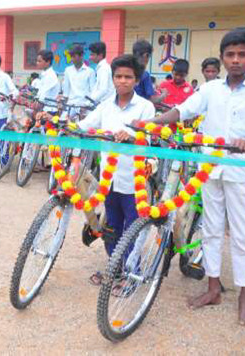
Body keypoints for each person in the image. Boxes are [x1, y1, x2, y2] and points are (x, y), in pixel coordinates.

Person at [145, 29, 245, 326]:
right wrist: (151, 122)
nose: (236, 60)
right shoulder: (211, 89)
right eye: (230, 54)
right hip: (210, 169)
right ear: (222, 58)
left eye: (242, 54)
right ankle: (213, 287)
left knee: (242, 235)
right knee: (211, 229)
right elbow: (182, 110)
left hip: (241, 171)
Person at [75, 54, 155, 286]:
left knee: (132, 228)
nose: (122, 81)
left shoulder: (145, 107)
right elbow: (84, 126)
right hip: (109, 180)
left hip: (133, 179)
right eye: (118, 76)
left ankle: (132, 274)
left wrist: (132, 136)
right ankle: (114, 267)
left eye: (128, 77)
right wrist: (59, 123)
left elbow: (149, 137)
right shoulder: (105, 106)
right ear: (112, 79)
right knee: (112, 226)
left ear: (137, 80)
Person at [61, 44, 96, 112]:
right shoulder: (68, 70)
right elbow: (66, 90)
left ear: (81, 56)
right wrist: (63, 104)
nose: (72, 59)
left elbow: (93, 91)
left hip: (84, 106)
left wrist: (87, 105)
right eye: (71, 57)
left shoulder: (90, 71)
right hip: (70, 105)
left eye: (74, 57)